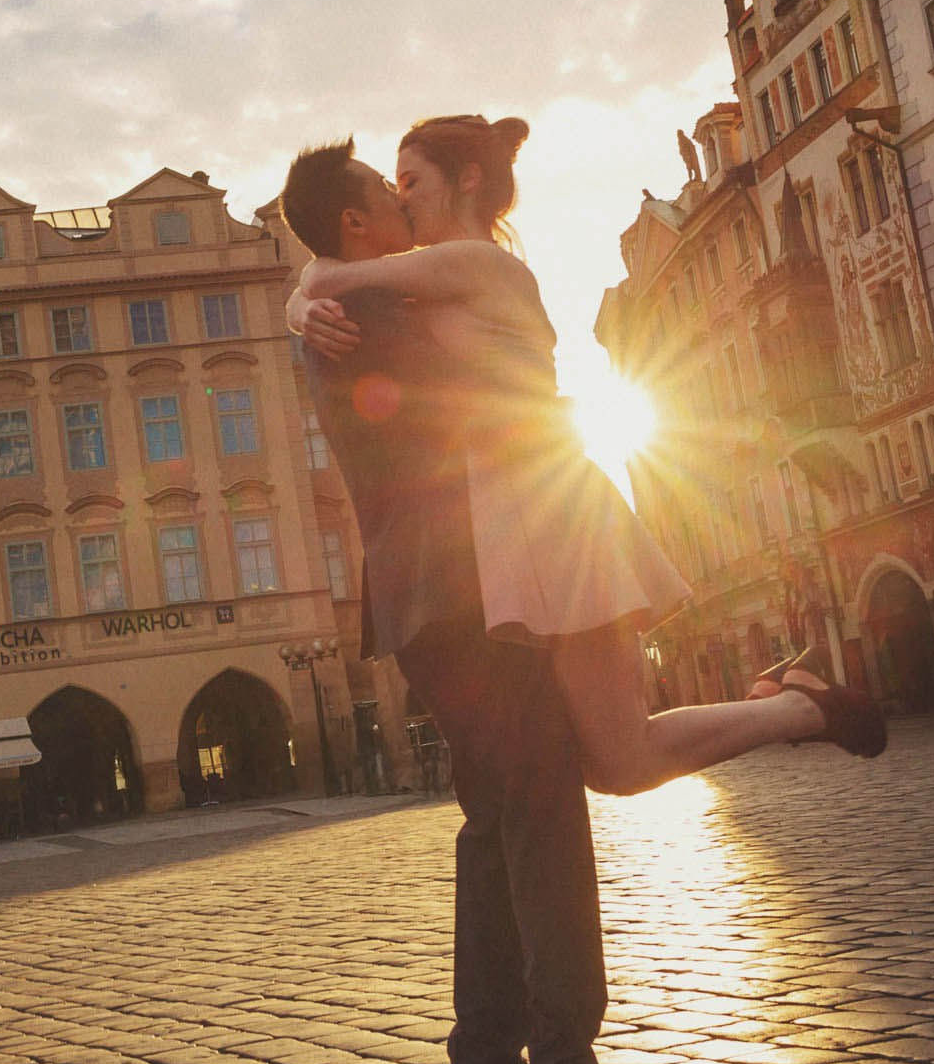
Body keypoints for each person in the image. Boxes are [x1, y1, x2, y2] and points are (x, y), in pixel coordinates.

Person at [289, 115, 886, 792]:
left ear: (468, 180)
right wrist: (303, 301)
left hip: (556, 517)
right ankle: (792, 704)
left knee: (622, 758)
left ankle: (797, 707)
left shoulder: (476, 262)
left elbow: (327, 275)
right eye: (393, 185)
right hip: (527, 519)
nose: (399, 199)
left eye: (411, 181)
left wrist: (301, 305)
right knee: (614, 763)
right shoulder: (421, 280)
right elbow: (331, 265)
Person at [279, 137, 643, 1064]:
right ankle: (568, 1054)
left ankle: (486, 1061)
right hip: (464, 584)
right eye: (386, 197)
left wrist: (297, 291)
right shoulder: (380, 303)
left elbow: (314, 270)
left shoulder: (335, 296)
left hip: (419, 593)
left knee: (494, 819)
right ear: (357, 226)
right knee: (544, 805)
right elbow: (505, 392)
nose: (405, 210)